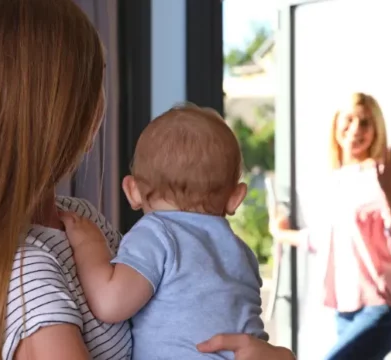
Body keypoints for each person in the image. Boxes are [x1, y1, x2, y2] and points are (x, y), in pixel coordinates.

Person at [0, 1, 294, 360]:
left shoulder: (79, 217)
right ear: (59, 108)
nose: (102, 102)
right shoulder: (27, 273)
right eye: (96, 81)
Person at [60, 105, 268, 359]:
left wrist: (89, 245)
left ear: (132, 190)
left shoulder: (156, 234)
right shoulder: (241, 253)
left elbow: (110, 303)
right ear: (235, 198)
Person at [271, 92, 391, 360]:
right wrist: (280, 233)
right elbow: (323, 240)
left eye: (365, 123)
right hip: (343, 309)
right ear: (336, 123)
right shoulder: (333, 182)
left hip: (383, 306)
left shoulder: (381, 177)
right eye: (349, 120)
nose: (356, 130)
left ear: (376, 130)